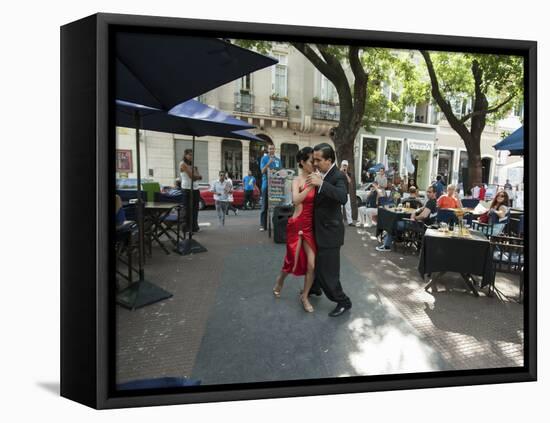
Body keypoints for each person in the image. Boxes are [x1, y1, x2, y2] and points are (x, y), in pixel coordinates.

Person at [305, 143, 352, 317]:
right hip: (319, 231)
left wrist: (322, 183)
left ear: (329, 160)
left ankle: (343, 301)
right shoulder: (322, 173)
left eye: (318, 159)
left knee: (329, 273)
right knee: (317, 264)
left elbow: (341, 197)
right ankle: (315, 288)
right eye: (314, 159)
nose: (315, 162)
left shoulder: (338, 175)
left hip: (330, 234)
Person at [272, 147, 317, 313]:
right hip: (297, 224)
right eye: (312, 161)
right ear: (302, 162)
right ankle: (280, 279)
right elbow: (296, 200)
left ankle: (305, 296)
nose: (315, 164)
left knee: (312, 265)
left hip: (310, 227)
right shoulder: (297, 180)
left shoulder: (317, 178)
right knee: (291, 260)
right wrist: (310, 186)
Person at [376, 185, 437, 252]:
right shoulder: (434, 201)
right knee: (397, 223)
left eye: (430, 192)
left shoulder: (431, 202)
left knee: (393, 224)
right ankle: (397, 239)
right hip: (425, 225)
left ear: (434, 193)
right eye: (427, 191)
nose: (427, 193)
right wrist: (415, 211)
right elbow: (422, 208)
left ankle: (387, 246)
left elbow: (424, 215)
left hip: (420, 225)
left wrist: (414, 218)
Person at [259, 144, 282, 231]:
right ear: (268, 150)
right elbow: (262, 171)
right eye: (270, 149)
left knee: (276, 206)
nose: (271, 150)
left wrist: (278, 172)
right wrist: (268, 163)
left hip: (276, 185)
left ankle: (276, 223)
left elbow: (281, 172)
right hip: (266, 185)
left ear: (275, 149)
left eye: (273, 148)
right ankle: (262, 225)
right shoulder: (264, 159)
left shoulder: (278, 160)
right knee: (264, 205)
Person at [180, 149, 202, 233]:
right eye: (189, 155)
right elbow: (192, 177)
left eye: (192, 155)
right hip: (187, 189)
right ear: (185, 155)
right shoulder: (183, 164)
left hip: (195, 189)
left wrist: (196, 176)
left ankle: (194, 226)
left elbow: (200, 177)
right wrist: (196, 175)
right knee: (187, 209)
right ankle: (186, 228)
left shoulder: (192, 166)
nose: (191, 156)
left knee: (195, 209)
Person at [340, 159, 354, 226]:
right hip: (339, 192)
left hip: (346, 193)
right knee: (340, 208)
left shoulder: (348, 173)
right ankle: (340, 221)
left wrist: (345, 174)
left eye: (346, 166)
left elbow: (349, 181)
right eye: (344, 165)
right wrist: (341, 171)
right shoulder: (338, 172)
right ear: (341, 165)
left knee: (348, 208)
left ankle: (350, 222)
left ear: (347, 167)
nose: (345, 167)